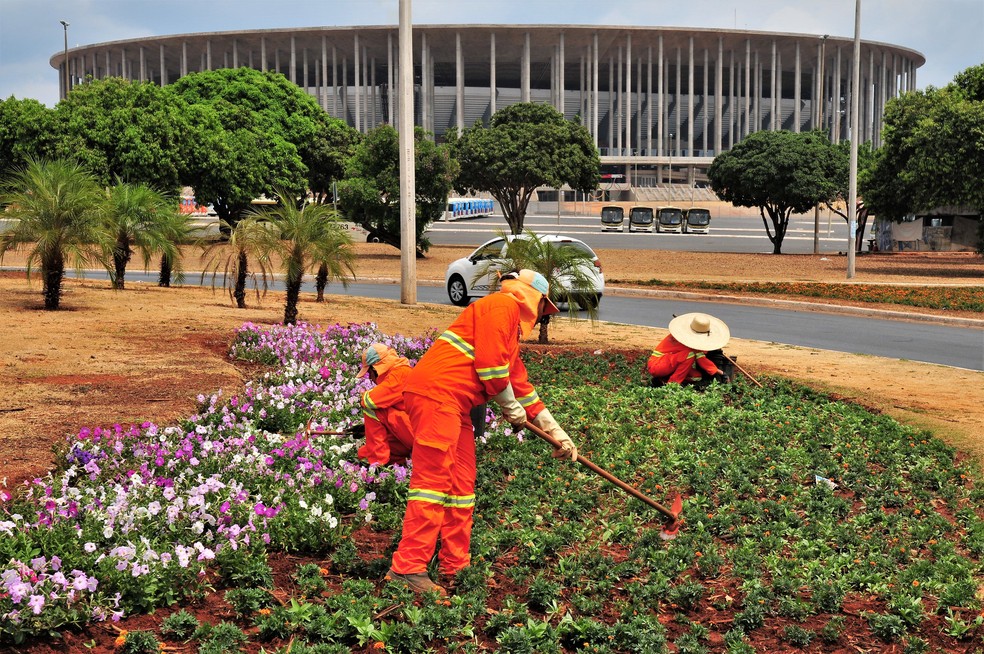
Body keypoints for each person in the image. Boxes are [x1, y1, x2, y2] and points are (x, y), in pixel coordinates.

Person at [385, 269, 578, 596]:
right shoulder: (502, 306)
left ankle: (454, 564)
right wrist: (508, 405)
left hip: (454, 404)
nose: (542, 316)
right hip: (436, 396)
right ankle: (407, 568)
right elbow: (491, 368)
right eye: (544, 308)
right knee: (432, 483)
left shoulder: (510, 333)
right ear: (533, 298)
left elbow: (521, 387)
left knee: (462, 484)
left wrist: (556, 432)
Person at [354, 343, 415, 466]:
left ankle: (378, 463)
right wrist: (366, 428)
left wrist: (363, 396)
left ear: (376, 368)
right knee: (363, 453)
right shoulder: (400, 370)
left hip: (417, 432)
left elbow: (369, 400)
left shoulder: (400, 373)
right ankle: (398, 462)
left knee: (372, 409)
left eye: (369, 373)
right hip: (412, 431)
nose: (370, 378)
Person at [647, 313, 731, 387]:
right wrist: (722, 373)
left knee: (696, 377)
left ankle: (663, 380)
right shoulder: (687, 342)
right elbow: (702, 360)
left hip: (669, 365)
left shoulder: (686, 338)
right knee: (689, 354)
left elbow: (700, 356)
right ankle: (672, 384)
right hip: (657, 365)